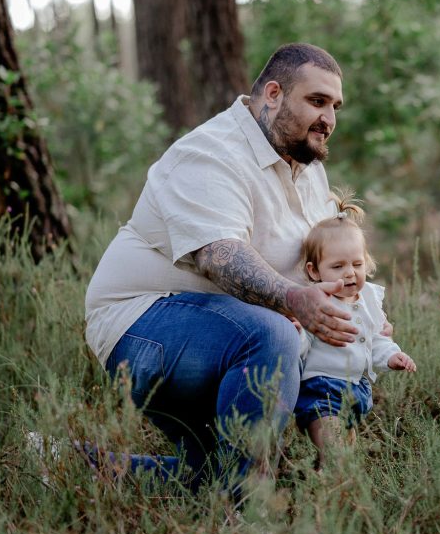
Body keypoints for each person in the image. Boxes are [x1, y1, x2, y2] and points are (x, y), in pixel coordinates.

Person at [84, 43, 360, 494]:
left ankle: (73, 466)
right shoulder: (210, 154)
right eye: (316, 101)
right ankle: (250, 511)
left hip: (223, 333)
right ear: (273, 94)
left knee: (211, 474)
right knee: (272, 333)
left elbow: (318, 259)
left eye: (334, 106)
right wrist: (293, 300)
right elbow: (220, 256)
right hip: (142, 327)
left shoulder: (307, 168)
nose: (329, 118)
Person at [294, 192, 416, 465]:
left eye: (357, 264)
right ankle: (333, 484)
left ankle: (330, 488)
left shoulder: (370, 298)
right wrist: (297, 332)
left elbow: (375, 338)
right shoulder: (316, 301)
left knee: (345, 450)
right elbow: (302, 343)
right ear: (314, 271)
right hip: (322, 387)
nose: (350, 273)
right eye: (337, 266)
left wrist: (392, 355)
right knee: (336, 451)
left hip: (357, 388)